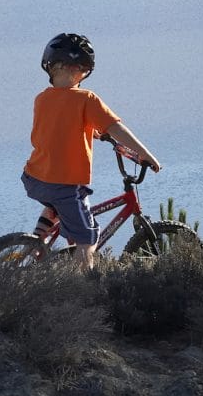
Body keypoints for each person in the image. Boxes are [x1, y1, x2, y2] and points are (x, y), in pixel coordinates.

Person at [22, 33, 160, 269]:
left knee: (59, 204)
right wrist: (145, 154)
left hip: (34, 178)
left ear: (51, 66)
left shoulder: (42, 99)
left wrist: (91, 132)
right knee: (88, 238)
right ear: (82, 70)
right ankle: (82, 289)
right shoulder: (87, 99)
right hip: (64, 184)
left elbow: (56, 128)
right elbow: (116, 129)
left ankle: (36, 241)